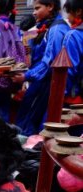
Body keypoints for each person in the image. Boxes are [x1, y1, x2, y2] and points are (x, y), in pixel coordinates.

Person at [13, 0, 69, 136]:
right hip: (40, 80)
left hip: (45, 83)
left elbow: (49, 62)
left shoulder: (56, 29)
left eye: (37, 8)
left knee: (31, 120)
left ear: (50, 6)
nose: (34, 12)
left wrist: (26, 76)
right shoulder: (45, 27)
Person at [63, 0, 83, 106]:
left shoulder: (73, 35)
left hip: (74, 98)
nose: (67, 18)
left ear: (78, 12)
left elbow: (69, 69)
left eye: (69, 13)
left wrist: (62, 94)